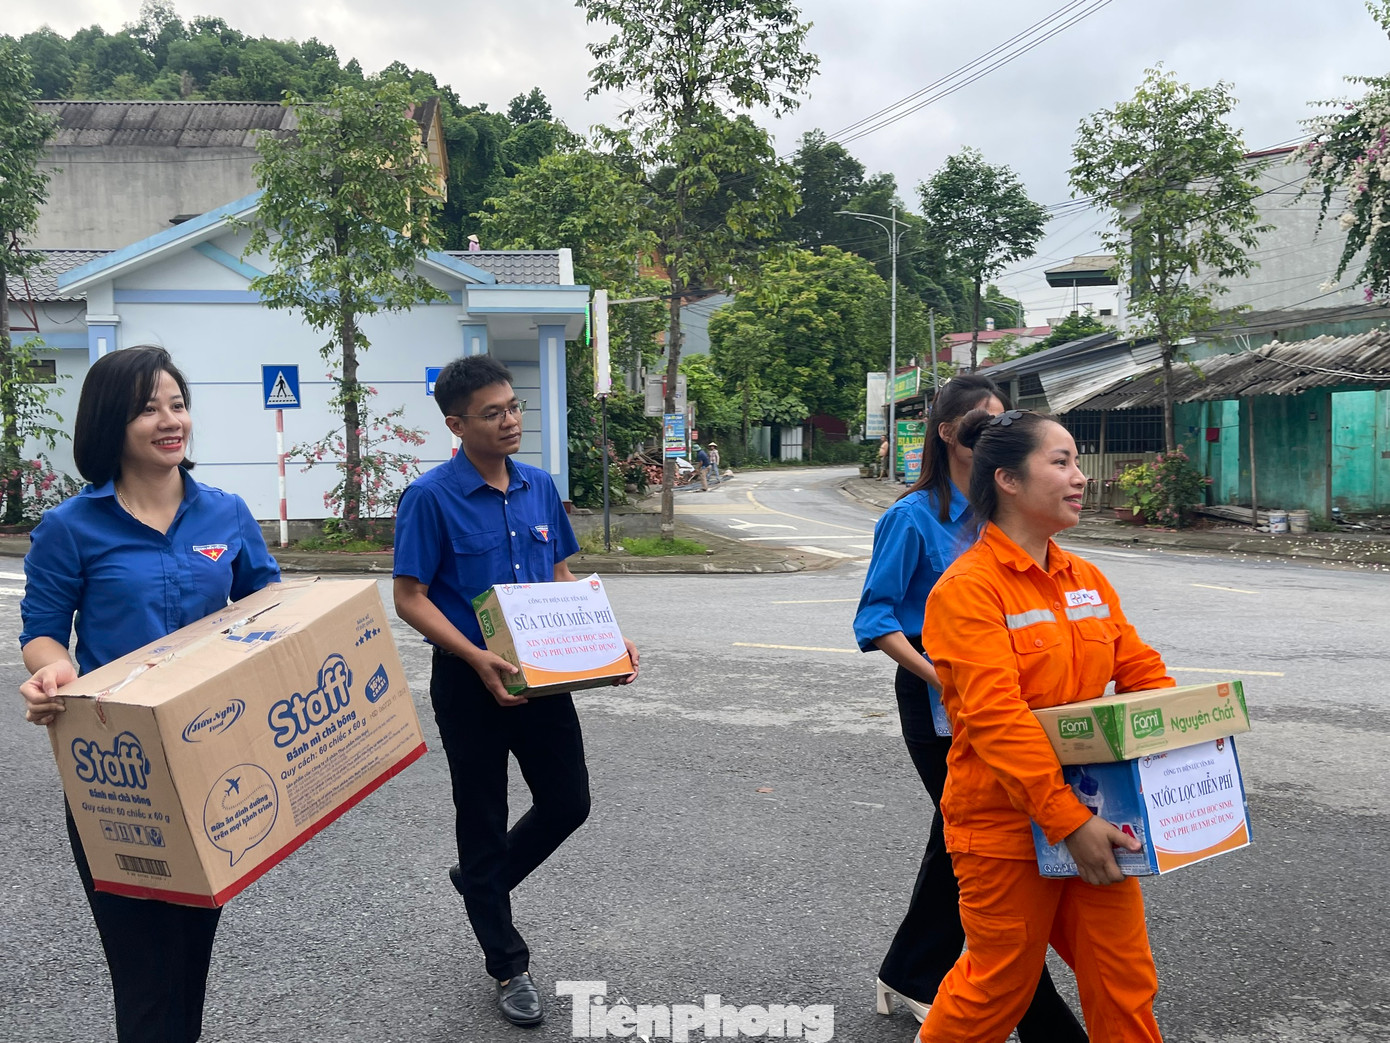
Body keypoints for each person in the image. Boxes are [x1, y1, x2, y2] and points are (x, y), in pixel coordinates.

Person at [18, 345, 280, 1043]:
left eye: (177, 404)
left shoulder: (226, 513)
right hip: (118, 773)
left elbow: (272, 610)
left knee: (190, 965)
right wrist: (54, 673)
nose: (171, 421)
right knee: (143, 979)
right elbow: (43, 632)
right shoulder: (70, 528)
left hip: (212, 761)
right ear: (112, 423)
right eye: (148, 408)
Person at [392, 355, 640, 1029]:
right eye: (492, 412)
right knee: (482, 814)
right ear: (456, 424)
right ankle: (507, 963)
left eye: (513, 407)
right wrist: (475, 657)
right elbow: (409, 596)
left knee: (568, 801)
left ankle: (481, 881)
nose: (509, 420)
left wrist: (605, 640)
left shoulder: (539, 487)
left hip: (543, 674)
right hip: (469, 679)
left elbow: (560, 575)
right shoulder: (430, 498)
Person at [918, 408, 1174, 1043]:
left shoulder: (1086, 579)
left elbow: (1142, 673)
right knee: (997, 985)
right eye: (1061, 462)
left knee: (1123, 979)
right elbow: (996, 720)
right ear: (1007, 480)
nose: (1080, 477)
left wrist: (1171, 742)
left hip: (1098, 815)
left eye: (1077, 462)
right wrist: (1068, 823)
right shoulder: (967, 590)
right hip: (1003, 825)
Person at [853, 376, 1085, 1039]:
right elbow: (876, 618)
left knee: (956, 843)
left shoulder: (1002, 509)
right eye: (982, 425)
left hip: (1006, 699)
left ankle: (910, 972)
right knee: (990, 849)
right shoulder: (912, 518)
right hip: (938, 699)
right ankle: (1041, 1021)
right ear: (948, 433)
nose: (994, 434)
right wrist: (945, 678)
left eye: (1003, 423)